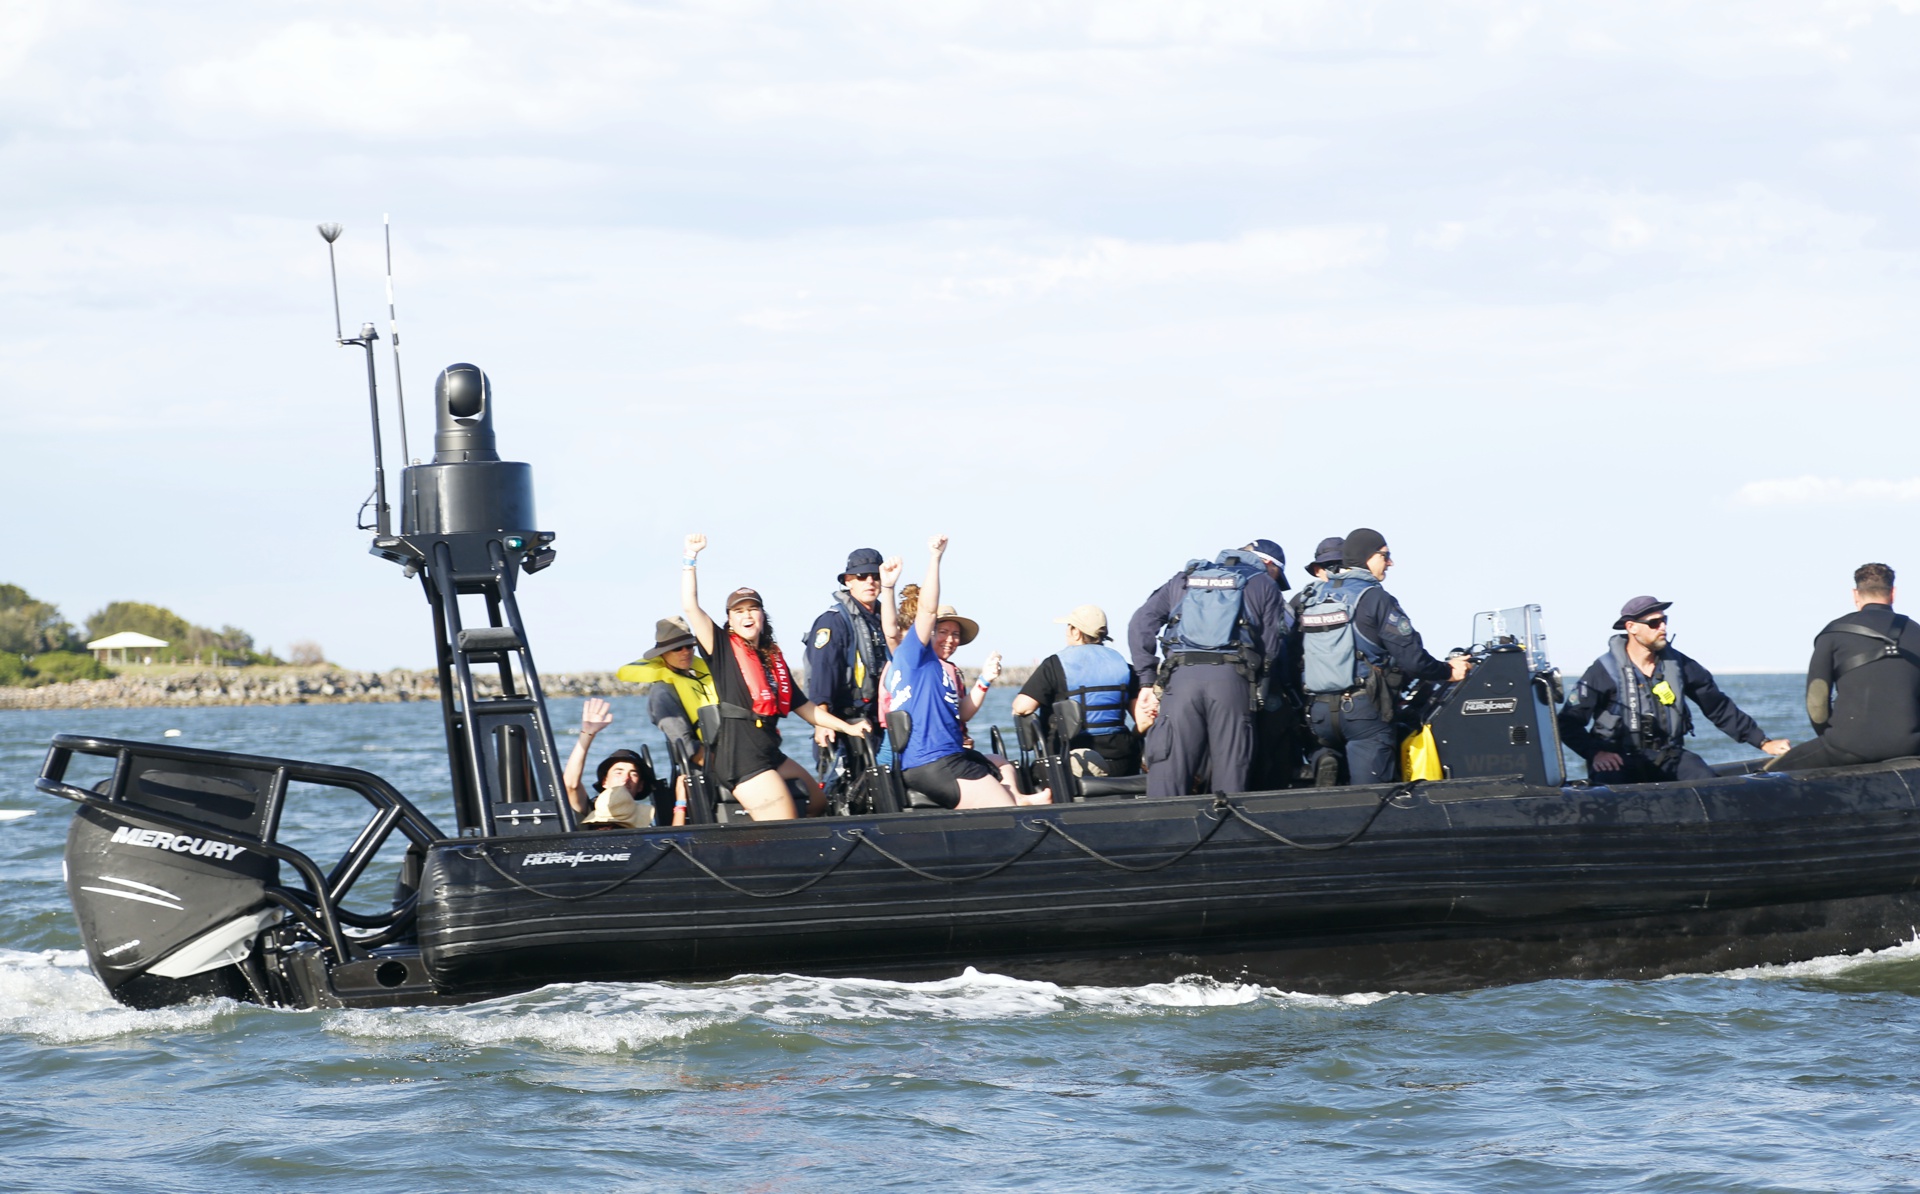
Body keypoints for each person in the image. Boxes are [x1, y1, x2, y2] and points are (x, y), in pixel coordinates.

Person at [680, 534, 870, 820]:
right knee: (785, 820)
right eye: (739, 611)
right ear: (730, 620)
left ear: (762, 616)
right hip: (741, 757)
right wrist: (690, 559)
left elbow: (805, 708)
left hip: (768, 750)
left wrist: (849, 728)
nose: (747, 616)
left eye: (753, 609)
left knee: (818, 801)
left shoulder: (772, 659)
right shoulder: (721, 648)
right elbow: (690, 606)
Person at [884, 535, 1047, 808]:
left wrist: (984, 679)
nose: (949, 639)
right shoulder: (914, 652)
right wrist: (934, 558)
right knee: (1011, 816)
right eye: (942, 631)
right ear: (927, 631)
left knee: (1000, 763)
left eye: (955, 634)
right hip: (936, 763)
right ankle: (1019, 806)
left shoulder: (933, 668)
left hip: (944, 758)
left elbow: (963, 711)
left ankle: (1018, 798)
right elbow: (921, 612)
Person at [1298, 528, 1472, 786]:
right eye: (1385, 555)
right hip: (1362, 716)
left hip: (1319, 714)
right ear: (1367, 557)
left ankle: (1325, 758)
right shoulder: (1375, 598)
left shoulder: (1313, 596)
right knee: (1373, 800)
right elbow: (1411, 659)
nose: (1390, 562)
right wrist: (1448, 671)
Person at [1559, 595, 1788, 783]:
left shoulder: (1679, 665)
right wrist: (1596, 753)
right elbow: (1568, 721)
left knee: (1710, 786)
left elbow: (1718, 706)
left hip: (1669, 756)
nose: (1663, 627)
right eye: (1654, 623)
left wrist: (1762, 741)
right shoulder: (1603, 671)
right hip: (1619, 759)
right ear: (1631, 628)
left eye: (1664, 620)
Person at [1127, 539, 1290, 798]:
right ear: (1268, 563)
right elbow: (1270, 648)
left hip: (1179, 681)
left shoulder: (1184, 579)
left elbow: (1140, 623)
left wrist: (1147, 678)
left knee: (1168, 771)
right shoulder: (1263, 585)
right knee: (1231, 775)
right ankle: (1225, 831)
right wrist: (1256, 686)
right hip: (1232, 682)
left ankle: (1162, 830)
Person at [1768, 564, 1920, 772]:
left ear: (1855, 594)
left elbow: (1816, 703)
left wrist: (1830, 737)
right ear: (1893, 593)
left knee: (1768, 775)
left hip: (1847, 747)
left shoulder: (1832, 633)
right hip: (1911, 747)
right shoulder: (1917, 632)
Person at [805, 548, 898, 802]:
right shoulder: (832, 622)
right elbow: (823, 675)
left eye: (875, 576)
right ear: (848, 581)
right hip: (843, 726)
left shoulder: (885, 619)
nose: (870, 581)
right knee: (844, 797)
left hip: (878, 725)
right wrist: (822, 723)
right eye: (862, 576)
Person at [1011, 604, 1140, 777]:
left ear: (1076, 632)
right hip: (1122, 763)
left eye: (1068, 627)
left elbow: (1022, 707)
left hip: (1071, 764)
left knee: (1021, 775)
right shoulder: (1124, 665)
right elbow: (1144, 720)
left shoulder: (1055, 664)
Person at [616, 617, 718, 826]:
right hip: (705, 771)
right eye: (677, 648)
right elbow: (687, 746)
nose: (685, 652)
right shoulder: (662, 692)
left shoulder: (700, 678)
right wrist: (730, 765)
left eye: (690, 646)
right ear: (662, 654)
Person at [561, 698, 652, 827]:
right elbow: (570, 785)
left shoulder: (645, 820)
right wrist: (587, 733)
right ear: (604, 781)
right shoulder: (590, 810)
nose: (626, 779)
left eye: (633, 774)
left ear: (641, 786)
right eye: (618, 772)